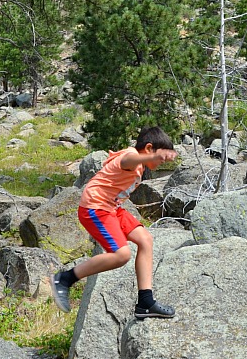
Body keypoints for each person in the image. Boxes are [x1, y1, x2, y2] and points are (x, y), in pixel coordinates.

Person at [50, 125, 178, 319]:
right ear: (149, 148)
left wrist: (151, 158)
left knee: (145, 240)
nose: (160, 162)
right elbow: (128, 159)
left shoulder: (140, 165)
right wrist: (151, 157)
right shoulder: (131, 156)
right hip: (95, 208)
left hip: (112, 208)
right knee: (121, 254)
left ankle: (145, 302)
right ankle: (64, 279)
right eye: (158, 156)